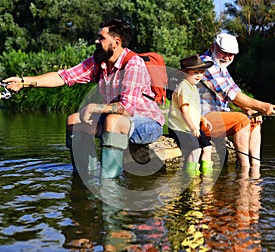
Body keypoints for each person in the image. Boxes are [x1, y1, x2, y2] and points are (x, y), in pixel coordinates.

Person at [3, 18, 165, 179]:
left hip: (147, 124)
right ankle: (84, 178)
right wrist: (24, 81)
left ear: (116, 42)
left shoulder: (133, 64)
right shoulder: (99, 62)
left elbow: (126, 108)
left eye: (101, 38)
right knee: (74, 120)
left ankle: (109, 183)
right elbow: (63, 77)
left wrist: (94, 108)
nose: (96, 41)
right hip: (118, 120)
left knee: (112, 121)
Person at [199, 33, 275, 168]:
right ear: (213, 47)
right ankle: (244, 169)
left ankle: (255, 167)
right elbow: (230, 93)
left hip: (219, 117)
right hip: (202, 119)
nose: (227, 57)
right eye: (223, 52)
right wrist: (262, 106)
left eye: (231, 54)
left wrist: (249, 108)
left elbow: (234, 89)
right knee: (241, 120)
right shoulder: (205, 64)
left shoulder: (221, 66)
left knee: (255, 119)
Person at [168, 55, 214, 176]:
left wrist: (202, 119)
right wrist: (193, 127)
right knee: (196, 150)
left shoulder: (192, 87)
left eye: (201, 72)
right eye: (195, 72)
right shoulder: (183, 87)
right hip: (180, 128)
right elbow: (184, 110)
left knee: (207, 148)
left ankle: (207, 176)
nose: (199, 75)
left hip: (192, 127)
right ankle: (191, 177)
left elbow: (193, 110)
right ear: (185, 73)